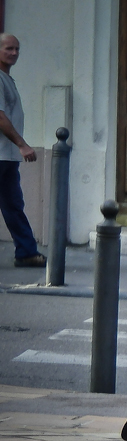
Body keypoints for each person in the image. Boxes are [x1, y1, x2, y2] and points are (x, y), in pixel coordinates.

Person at [0, 34, 46, 268]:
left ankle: (26, 252)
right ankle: (26, 250)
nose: (14, 53)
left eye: (17, 49)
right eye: (9, 48)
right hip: (2, 154)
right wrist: (22, 144)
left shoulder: (7, 78)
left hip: (6, 157)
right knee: (12, 205)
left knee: (13, 205)